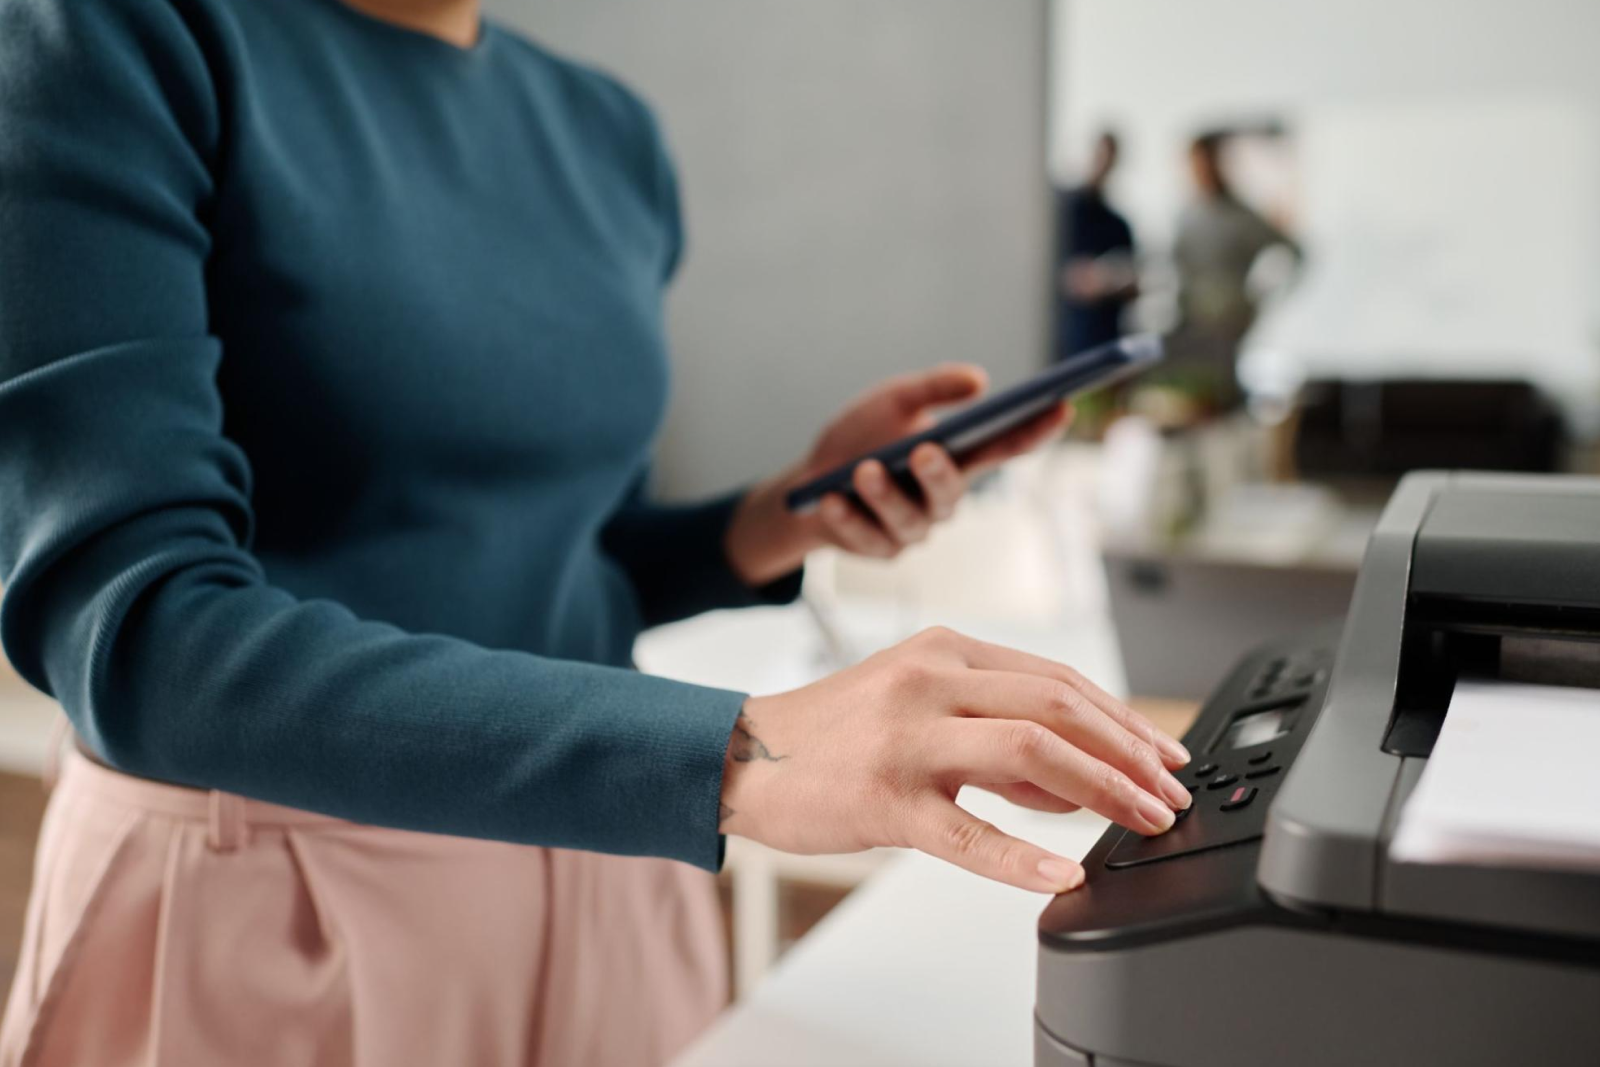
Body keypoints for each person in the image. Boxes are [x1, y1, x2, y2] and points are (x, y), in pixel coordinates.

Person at [0, 1, 1192, 1064]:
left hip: (611, 869)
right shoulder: (116, 36)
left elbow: (556, 560)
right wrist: (738, 752)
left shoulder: (602, 131)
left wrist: (780, 514)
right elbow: (138, 632)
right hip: (277, 895)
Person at [1167, 131, 1301, 409]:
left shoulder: (1241, 217)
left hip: (1228, 326)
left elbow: (1294, 253)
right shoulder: (1189, 216)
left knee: (1224, 397)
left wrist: (1261, 298)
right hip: (1192, 323)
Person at [1056, 131, 1139, 361]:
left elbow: (1134, 284)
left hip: (1104, 339)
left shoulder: (1118, 225)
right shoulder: (1060, 214)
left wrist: (1110, 282)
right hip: (1065, 339)